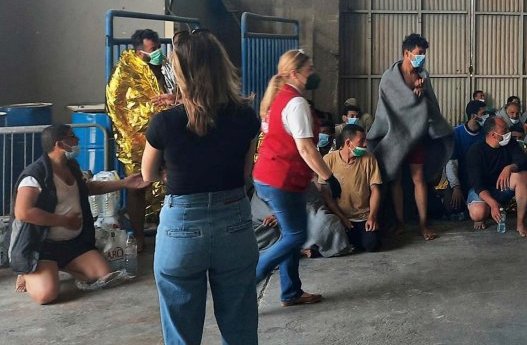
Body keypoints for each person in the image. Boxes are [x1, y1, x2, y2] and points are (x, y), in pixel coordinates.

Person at [141, 30, 262, 341]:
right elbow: (246, 172)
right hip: (234, 220)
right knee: (240, 326)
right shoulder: (247, 117)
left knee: (181, 330)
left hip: (181, 227)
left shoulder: (164, 123)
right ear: (222, 66)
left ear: (179, 72)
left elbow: (148, 174)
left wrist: (171, 170)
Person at [11, 125, 142, 305]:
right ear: (60, 144)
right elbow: (23, 212)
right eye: (72, 137)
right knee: (46, 296)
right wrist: (63, 221)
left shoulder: (70, 166)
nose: (78, 141)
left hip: (74, 244)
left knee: (105, 277)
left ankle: (61, 267)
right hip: (42, 247)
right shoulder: (35, 175)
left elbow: (87, 188)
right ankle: (29, 272)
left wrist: (125, 183)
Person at [252, 49, 341, 307]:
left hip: (271, 176)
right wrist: (329, 177)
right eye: (309, 69)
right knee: (295, 236)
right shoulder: (296, 103)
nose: (313, 74)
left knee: (291, 233)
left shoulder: (279, 97)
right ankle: (250, 280)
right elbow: (306, 148)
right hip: (281, 180)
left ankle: (291, 292)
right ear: (295, 73)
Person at [366, 33, 454, 241]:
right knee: (395, 179)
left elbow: (430, 107)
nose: (422, 58)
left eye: (424, 54)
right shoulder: (390, 77)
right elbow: (388, 108)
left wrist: (421, 94)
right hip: (395, 136)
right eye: (419, 53)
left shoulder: (423, 75)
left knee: (419, 179)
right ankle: (400, 223)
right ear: (407, 53)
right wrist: (410, 97)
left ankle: (423, 224)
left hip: (416, 135)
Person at [105, 27, 177, 251]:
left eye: (158, 48)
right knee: (137, 186)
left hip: (167, 135)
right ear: (139, 52)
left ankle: (170, 232)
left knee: (170, 182)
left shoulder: (164, 66)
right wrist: (133, 137)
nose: (157, 52)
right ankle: (138, 236)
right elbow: (117, 107)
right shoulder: (124, 72)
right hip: (137, 140)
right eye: (152, 49)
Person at [465, 117, 527, 236]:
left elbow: (525, 162)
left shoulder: (510, 143)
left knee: (523, 176)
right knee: (477, 214)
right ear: (493, 135)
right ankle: (489, 210)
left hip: (502, 188)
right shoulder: (475, 151)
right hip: (482, 191)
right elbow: (477, 185)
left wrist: (510, 168)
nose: (508, 132)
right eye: (504, 130)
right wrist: (492, 203)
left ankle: (520, 223)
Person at [324, 124, 385, 252]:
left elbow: (375, 190)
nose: (365, 144)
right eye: (361, 141)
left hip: (363, 216)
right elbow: (326, 196)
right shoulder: (329, 160)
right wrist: (342, 218)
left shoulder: (369, 159)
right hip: (338, 216)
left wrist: (372, 216)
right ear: (348, 143)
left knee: (372, 245)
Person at [444, 100, 487, 216]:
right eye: (483, 114)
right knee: (451, 207)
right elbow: (451, 163)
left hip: (480, 180)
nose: (487, 117)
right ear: (473, 116)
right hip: (460, 179)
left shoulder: (487, 134)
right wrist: (456, 187)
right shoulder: (456, 133)